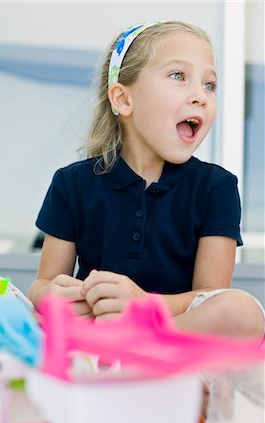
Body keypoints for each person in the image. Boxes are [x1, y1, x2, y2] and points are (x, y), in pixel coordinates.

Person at [28, 21, 265, 340]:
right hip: (95, 329)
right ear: (123, 100)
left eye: (209, 85)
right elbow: (44, 284)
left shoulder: (217, 187)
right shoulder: (71, 184)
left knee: (243, 310)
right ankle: (110, 347)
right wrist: (52, 296)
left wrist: (143, 307)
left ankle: (132, 342)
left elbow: (210, 298)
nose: (201, 96)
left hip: (168, 336)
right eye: (179, 76)